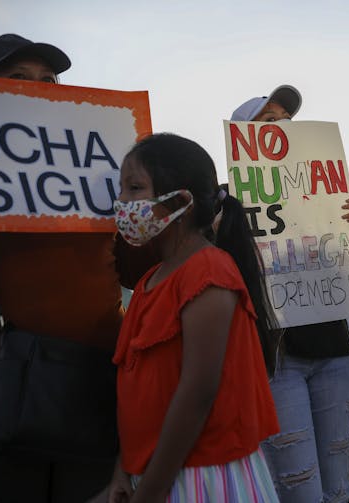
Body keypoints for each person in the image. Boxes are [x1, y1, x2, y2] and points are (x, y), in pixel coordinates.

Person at [0, 33, 145, 502]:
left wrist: (151, 208)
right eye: (19, 78)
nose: (39, 88)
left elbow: (137, 272)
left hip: (97, 392)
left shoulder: (101, 172)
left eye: (50, 79)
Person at [107, 133, 281, 502]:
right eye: (121, 188)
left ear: (180, 201)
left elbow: (197, 393)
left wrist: (151, 489)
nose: (121, 202)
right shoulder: (147, 282)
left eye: (134, 188)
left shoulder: (209, 272)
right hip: (156, 473)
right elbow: (136, 390)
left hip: (203, 478)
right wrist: (124, 467)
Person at [230, 85, 349, 503]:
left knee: (338, 487)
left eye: (287, 122)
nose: (283, 130)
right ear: (242, 138)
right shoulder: (228, 202)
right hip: (278, 360)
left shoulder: (325, 191)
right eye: (269, 123)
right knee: (299, 488)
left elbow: (345, 268)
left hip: (334, 350)